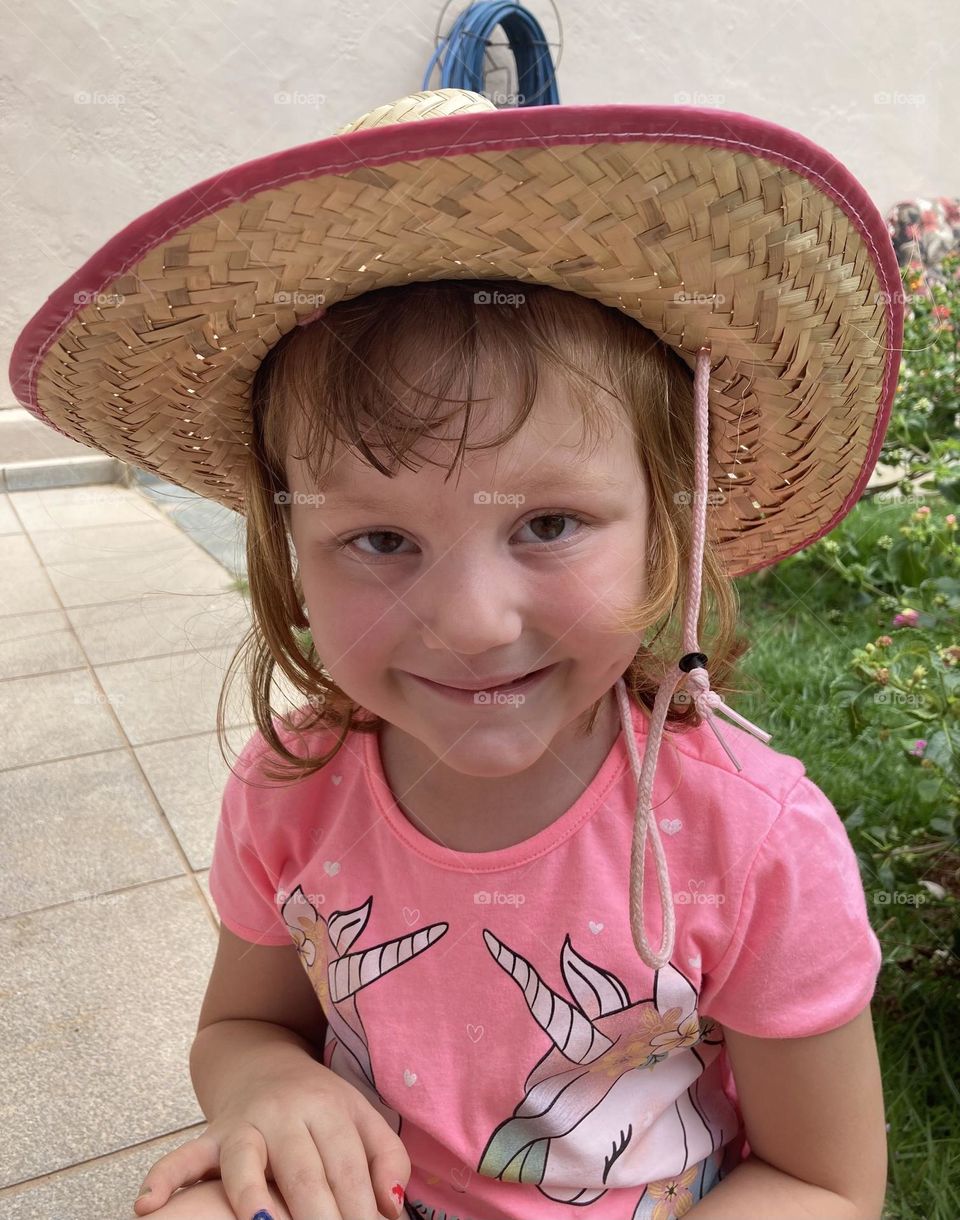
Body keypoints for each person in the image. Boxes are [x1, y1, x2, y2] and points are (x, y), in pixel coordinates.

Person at [9, 89, 902, 1220]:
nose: (472, 620)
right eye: (379, 539)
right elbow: (241, 1025)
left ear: (668, 524)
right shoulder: (293, 789)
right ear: (291, 551)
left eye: (548, 523)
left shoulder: (748, 838)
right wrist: (263, 1079)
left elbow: (824, 1179)